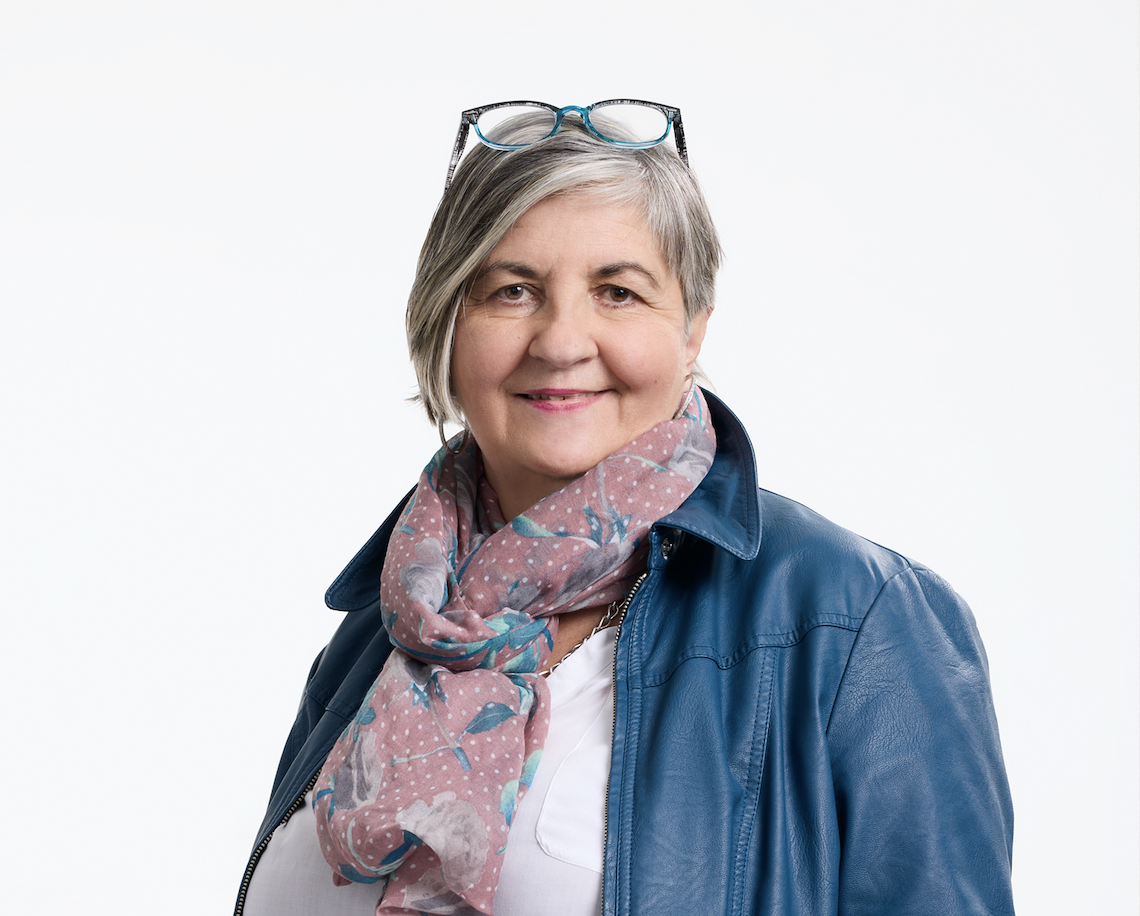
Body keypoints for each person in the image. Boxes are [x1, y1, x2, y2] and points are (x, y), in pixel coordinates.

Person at [235, 100, 1015, 916]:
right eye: (511, 291)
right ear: (445, 323)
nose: (561, 341)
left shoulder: (854, 621)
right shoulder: (387, 626)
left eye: (618, 292)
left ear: (693, 329)